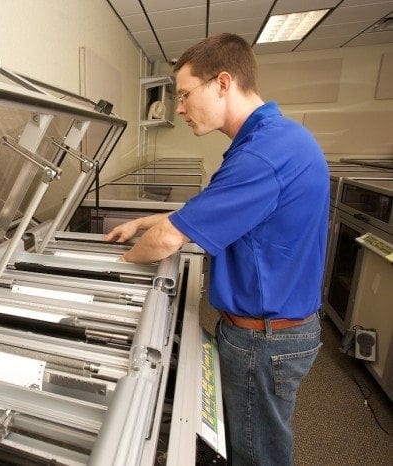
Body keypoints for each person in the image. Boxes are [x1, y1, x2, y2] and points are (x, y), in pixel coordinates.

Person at [104, 33, 329, 466]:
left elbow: (171, 238)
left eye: (185, 94)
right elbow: (206, 211)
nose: (181, 108)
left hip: (264, 341)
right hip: (273, 329)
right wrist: (142, 221)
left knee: (255, 455)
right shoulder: (273, 140)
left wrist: (116, 265)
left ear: (222, 83)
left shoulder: (262, 155)